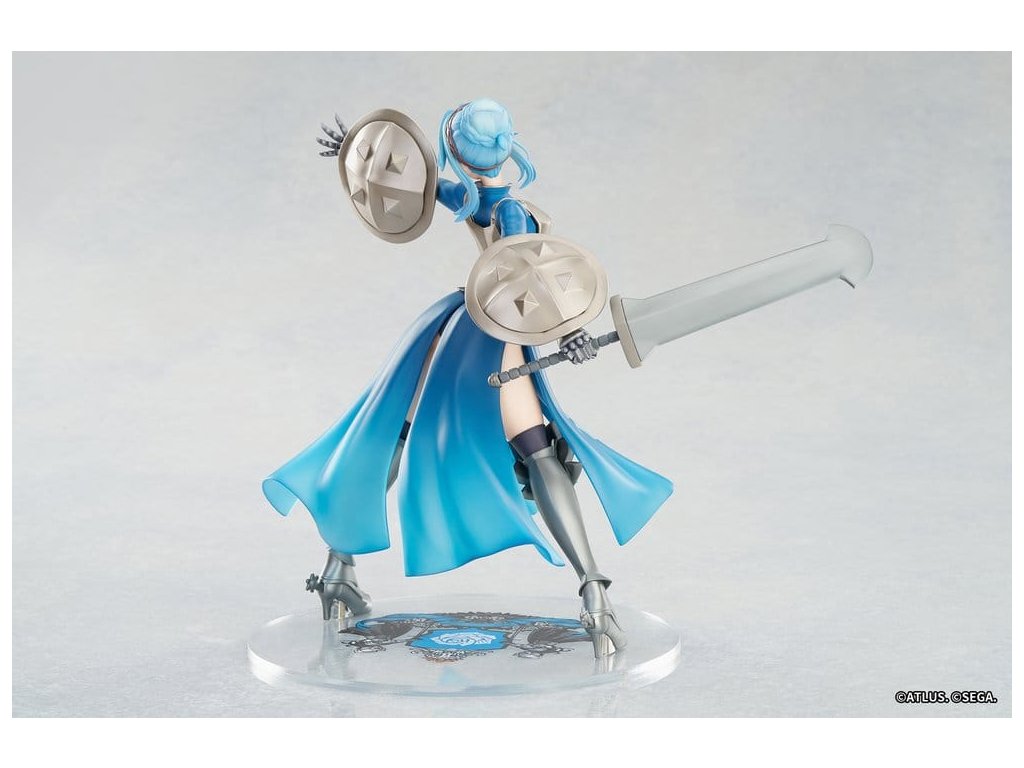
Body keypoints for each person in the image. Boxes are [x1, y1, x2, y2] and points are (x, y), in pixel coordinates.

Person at [264, 99, 673, 656]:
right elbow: (527, 281)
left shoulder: (475, 200)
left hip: (450, 330)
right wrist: (569, 333)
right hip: (493, 340)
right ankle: (594, 593)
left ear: (454, 148)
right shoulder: (511, 211)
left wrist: (361, 154)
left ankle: (339, 568)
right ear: (509, 144)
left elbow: (425, 187)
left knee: (396, 434)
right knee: (539, 453)